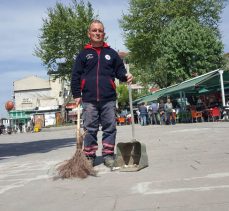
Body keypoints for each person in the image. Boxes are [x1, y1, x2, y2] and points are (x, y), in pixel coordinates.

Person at [71, 20, 133, 167]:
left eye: (100, 31)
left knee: (110, 128)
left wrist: (126, 77)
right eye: (94, 30)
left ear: (104, 34)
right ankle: (89, 156)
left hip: (108, 99)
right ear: (89, 33)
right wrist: (76, 94)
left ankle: (108, 155)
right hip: (89, 99)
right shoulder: (83, 55)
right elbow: (75, 76)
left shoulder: (111, 54)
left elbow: (120, 72)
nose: (97, 33)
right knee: (90, 129)